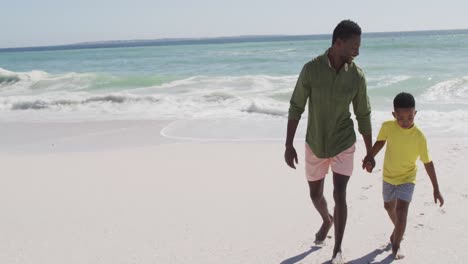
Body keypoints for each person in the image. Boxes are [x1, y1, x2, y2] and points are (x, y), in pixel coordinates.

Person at [284, 19, 374, 264]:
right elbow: (296, 106)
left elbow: (363, 114)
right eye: (354, 46)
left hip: (344, 141)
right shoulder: (311, 70)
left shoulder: (356, 76)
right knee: (315, 194)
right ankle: (327, 220)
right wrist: (288, 144)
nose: (357, 51)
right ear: (338, 42)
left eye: (359, 46)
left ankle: (337, 250)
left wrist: (370, 151)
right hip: (315, 142)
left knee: (340, 194)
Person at [363, 92, 444, 260]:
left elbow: (428, 163)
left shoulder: (419, 137)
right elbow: (380, 142)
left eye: (410, 118)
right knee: (388, 207)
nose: (405, 122)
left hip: (408, 177)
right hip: (389, 176)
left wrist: (436, 188)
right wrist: (369, 157)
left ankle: (396, 244)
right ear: (394, 115)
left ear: (415, 113)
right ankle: (399, 229)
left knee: (401, 211)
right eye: (401, 118)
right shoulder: (388, 126)